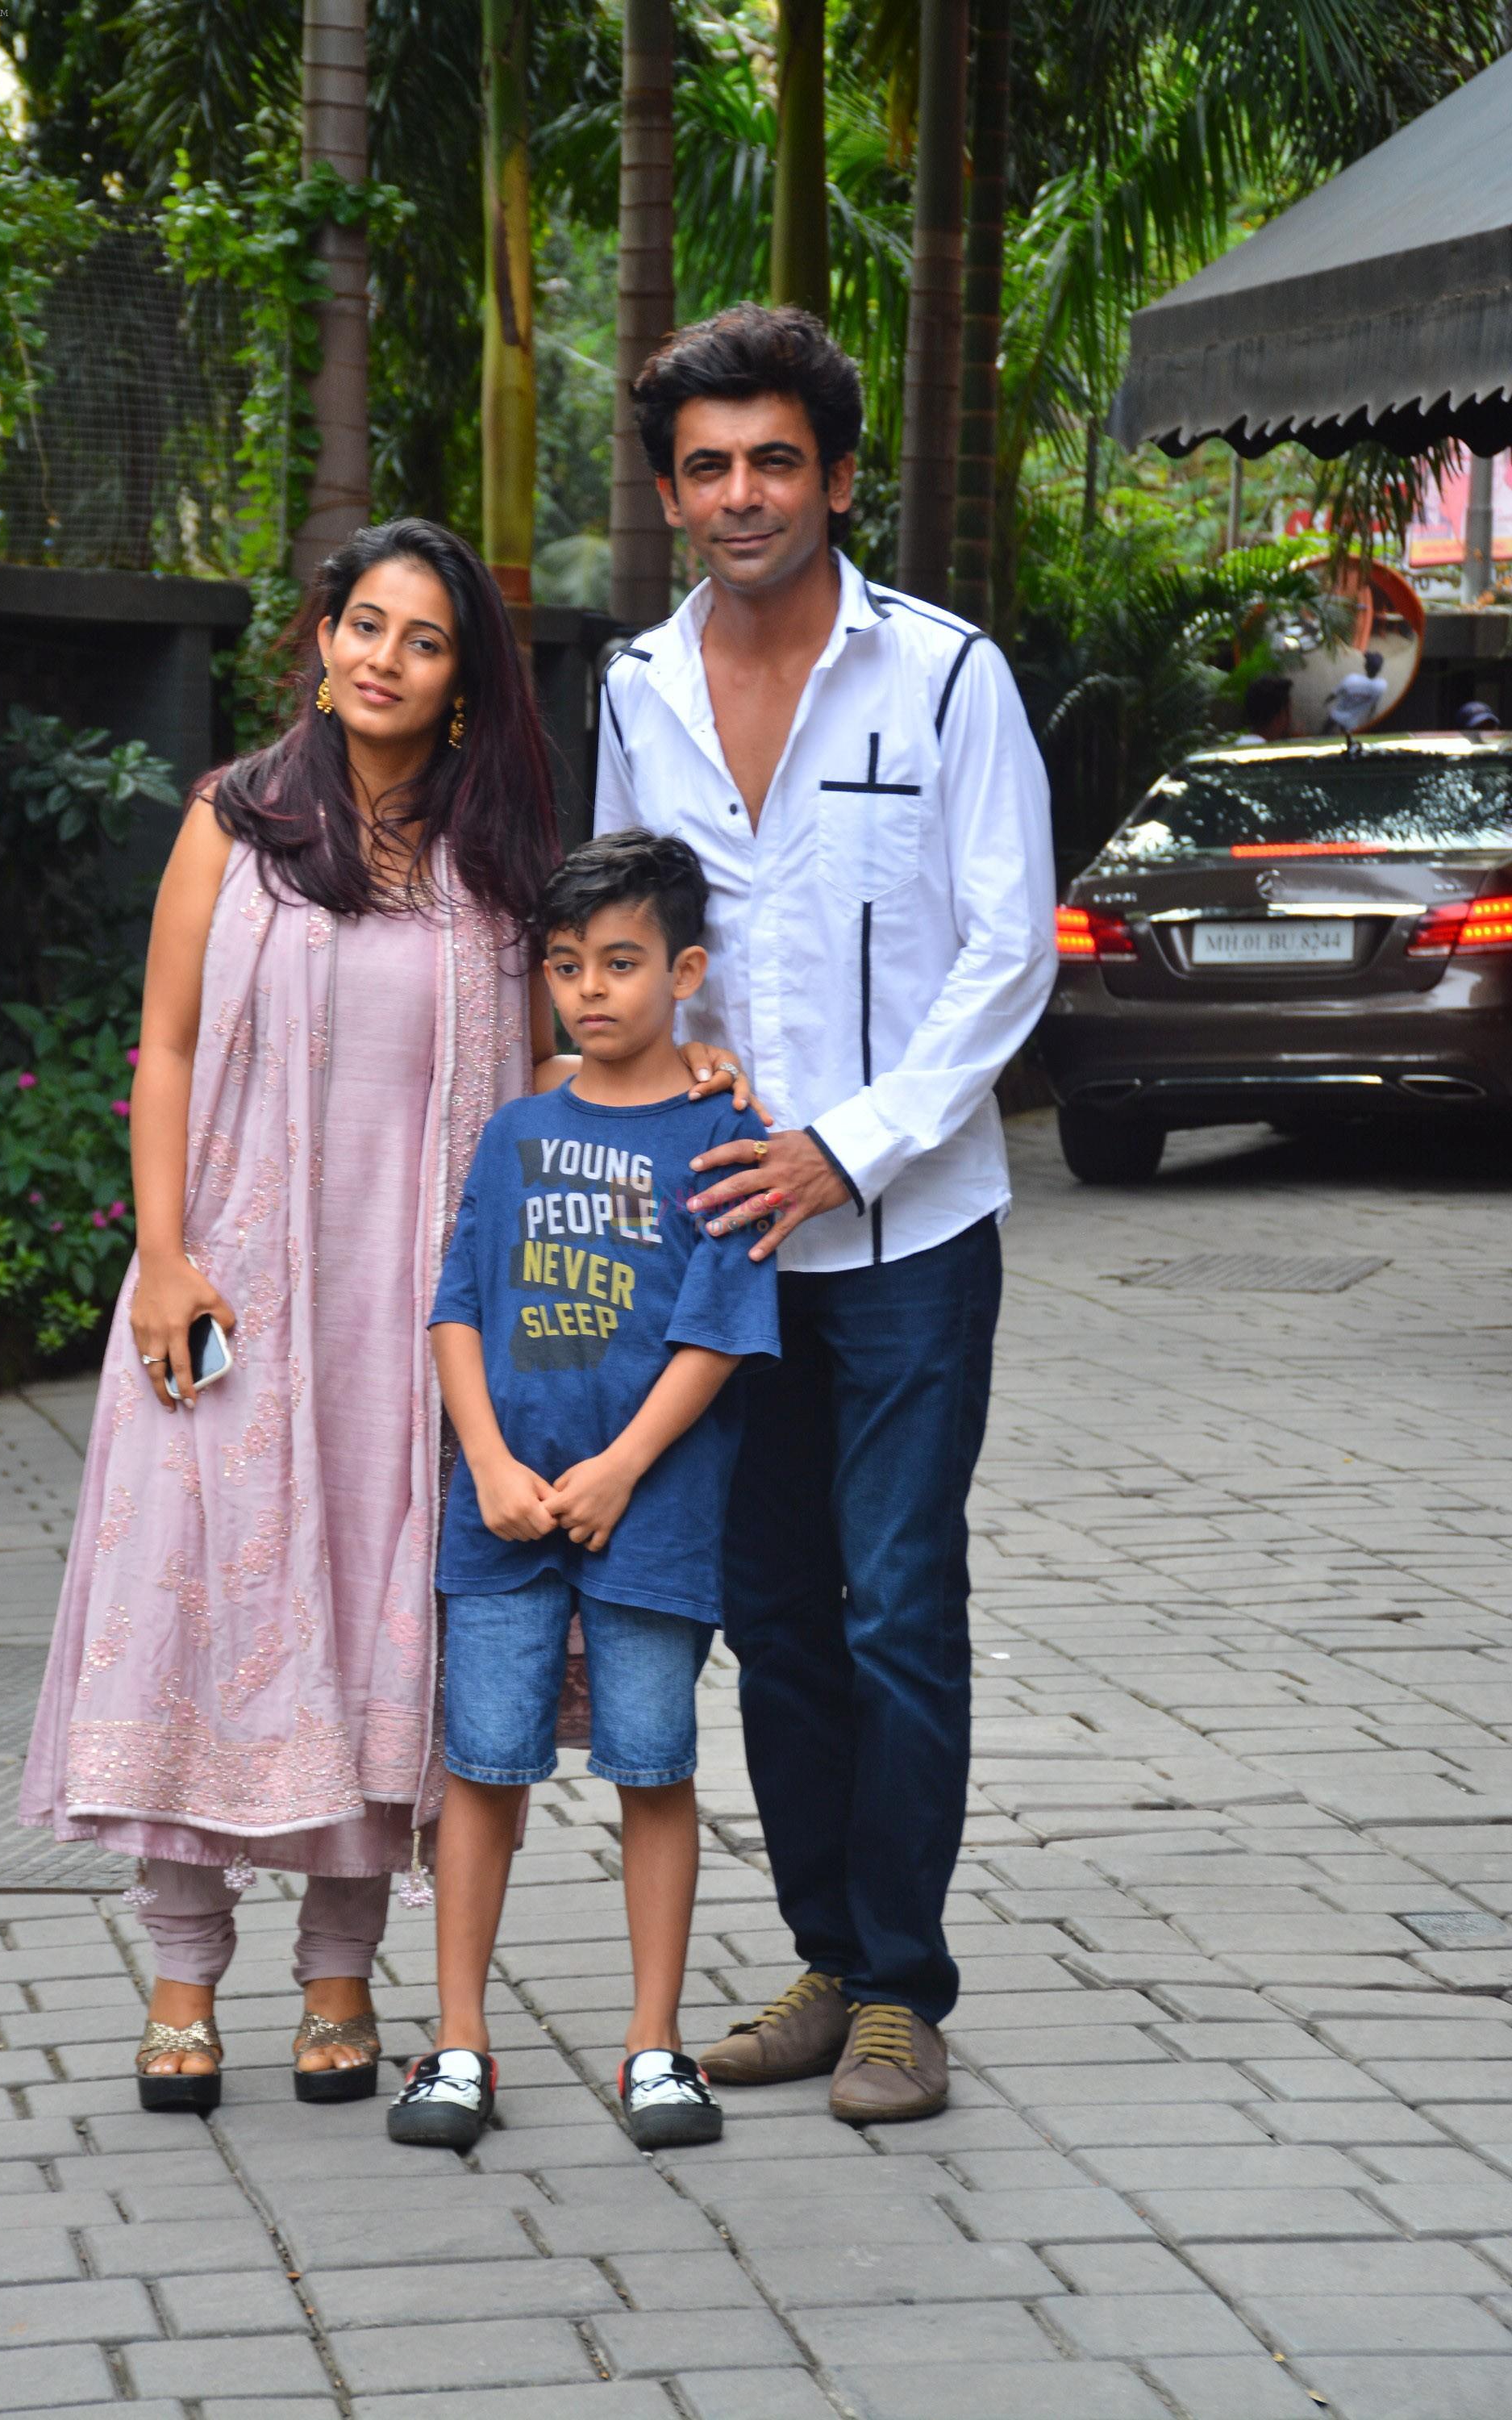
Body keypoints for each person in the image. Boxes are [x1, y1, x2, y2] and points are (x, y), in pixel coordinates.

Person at [20, 520, 750, 2115]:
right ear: (322, 638)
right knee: (197, 1608)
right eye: (364, 624)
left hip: (415, 1320)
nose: (382, 659)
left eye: (421, 639)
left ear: (464, 679)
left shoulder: (496, 865)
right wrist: (159, 1255)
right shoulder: (236, 818)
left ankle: (340, 1975)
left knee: (373, 1628)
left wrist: (676, 1067)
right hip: (228, 1292)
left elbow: (553, 1053)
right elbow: (166, 1042)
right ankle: (182, 1969)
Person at [596, 303, 1056, 2126]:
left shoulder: (944, 677)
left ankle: (903, 1988)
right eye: (703, 465)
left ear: (837, 476)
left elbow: (1006, 950)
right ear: (666, 492)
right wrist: (666, 1075)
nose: (738, 493)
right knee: (770, 1613)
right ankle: (825, 1958)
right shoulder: (635, 687)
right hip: (726, 1232)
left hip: (908, 1232)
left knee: (890, 1606)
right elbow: (640, 941)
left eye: (772, 457)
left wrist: (845, 1143)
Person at [387, 829, 779, 2155]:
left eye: (621, 963)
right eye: (566, 967)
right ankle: (456, 2045)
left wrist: (619, 1469)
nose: (591, 991)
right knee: (482, 1769)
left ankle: (656, 2047)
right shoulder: (514, 1131)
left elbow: (722, 1329)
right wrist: (490, 1463)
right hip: (498, 1518)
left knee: (651, 1764)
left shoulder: (724, 1133)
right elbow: (453, 1310)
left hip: (652, 1515)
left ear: (686, 972)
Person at [1325, 648, 1388, 734]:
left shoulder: (1351, 679)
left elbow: (1334, 694)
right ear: (1379, 670)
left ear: (1365, 665)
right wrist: (1371, 713)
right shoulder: (1382, 685)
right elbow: (1375, 702)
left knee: (1325, 731)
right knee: (1346, 739)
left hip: (1337, 714)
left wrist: (1326, 701)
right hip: (1352, 721)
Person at [1237, 673, 1294, 744]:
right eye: (1288, 712)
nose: (1290, 720)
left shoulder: (1237, 746)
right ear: (1278, 717)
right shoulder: (1270, 753)